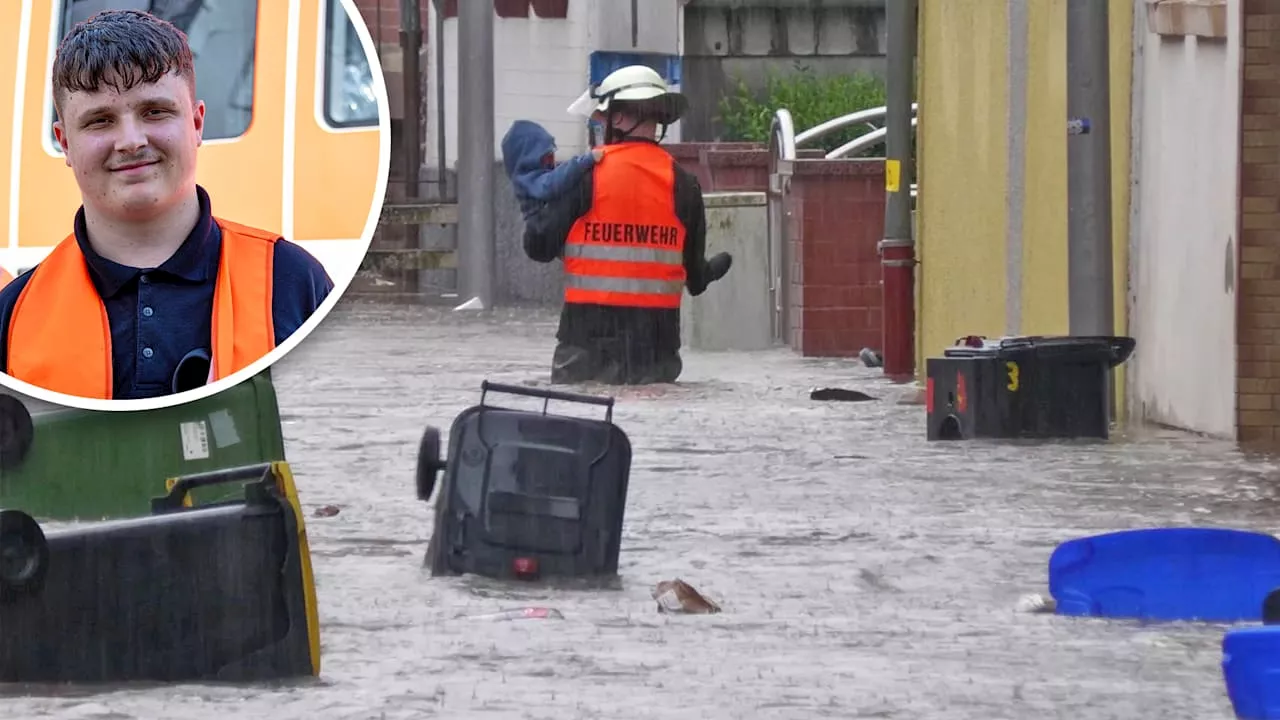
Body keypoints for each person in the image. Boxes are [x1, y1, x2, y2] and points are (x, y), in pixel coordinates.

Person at [0, 9, 334, 401]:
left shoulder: (293, 283)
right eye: (100, 120)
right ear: (65, 142)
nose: (131, 141)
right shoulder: (14, 315)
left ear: (196, 124)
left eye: (154, 112)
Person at [522, 65, 733, 385]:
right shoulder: (683, 185)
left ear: (619, 119)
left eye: (602, 118)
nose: (599, 126)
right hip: (655, 354)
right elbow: (695, 278)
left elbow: (537, 246)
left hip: (585, 348)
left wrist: (534, 205)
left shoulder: (584, 175)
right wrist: (710, 269)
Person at [501, 120, 602, 220]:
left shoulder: (537, 176)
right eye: (547, 156)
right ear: (530, 158)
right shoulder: (527, 181)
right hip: (539, 230)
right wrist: (585, 161)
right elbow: (553, 182)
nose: (552, 160)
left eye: (551, 154)